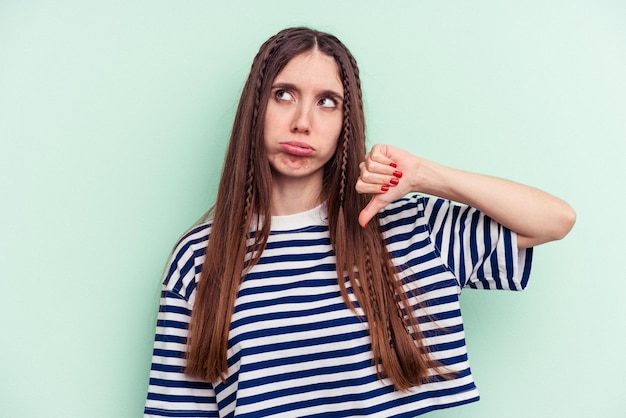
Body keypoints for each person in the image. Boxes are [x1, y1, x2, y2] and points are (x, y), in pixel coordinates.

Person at [144, 27, 575, 417]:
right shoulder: (200, 257)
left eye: (326, 102)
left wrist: (426, 176)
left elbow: (554, 220)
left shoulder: (404, 227)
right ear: (255, 107)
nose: (303, 123)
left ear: (345, 124)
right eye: (283, 94)